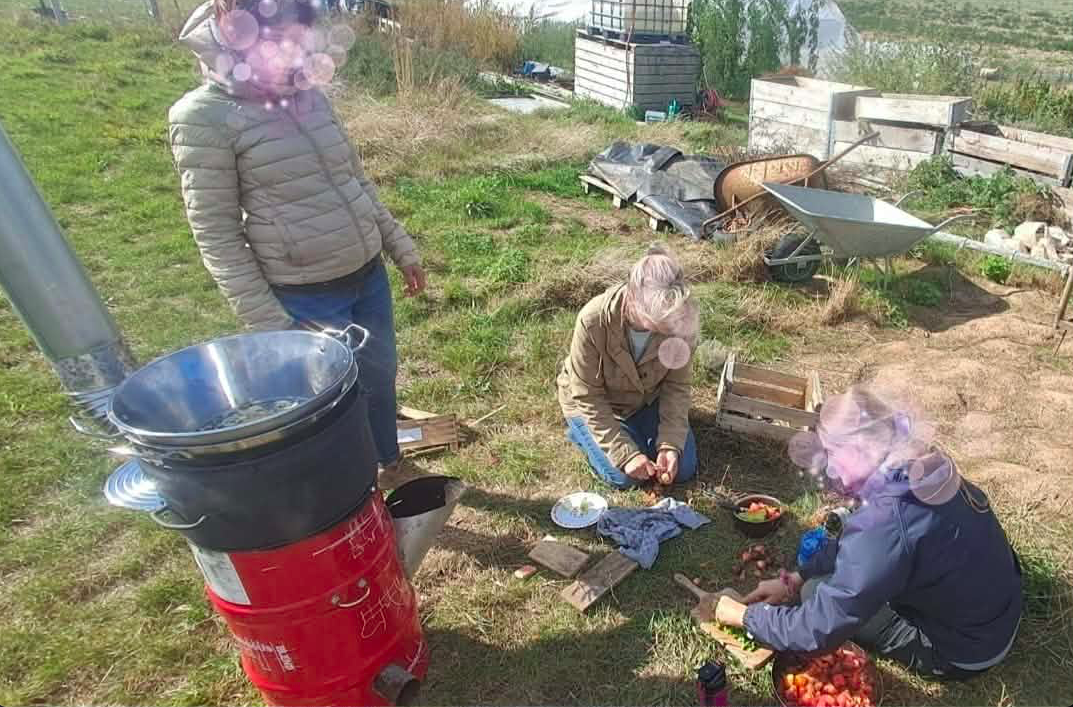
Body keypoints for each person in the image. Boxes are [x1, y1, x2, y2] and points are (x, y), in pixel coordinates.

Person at [168, 0, 426, 472]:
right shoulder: (203, 118)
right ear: (236, 30)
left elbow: (355, 181)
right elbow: (216, 234)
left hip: (367, 273)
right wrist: (272, 322)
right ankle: (352, 489)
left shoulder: (309, 95)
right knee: (333, 402)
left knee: (379, 375)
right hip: (305, 296)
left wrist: (399, 246)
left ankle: (389, 463)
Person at [714, 386, 1023, 681]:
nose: (829, 467)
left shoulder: (886, 520)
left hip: (963, 651)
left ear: (862, 447)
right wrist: (795, 578)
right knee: (812, 584)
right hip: (998, 614)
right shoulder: (915, 465)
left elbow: (817, 629)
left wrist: (743, 616)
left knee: (815, 594)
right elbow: (862, 540)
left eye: (833, 452)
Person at [557, 245, 700, 490]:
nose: (664, 329)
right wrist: (626, 454)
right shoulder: (593, 320)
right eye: (657, 321)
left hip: (646, 400)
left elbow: (676, 387)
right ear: (633, 299)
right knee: (625, 478)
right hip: (599, 404)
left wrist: (669, 444)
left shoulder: (678, 316)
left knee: (683, 469)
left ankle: (635, 434)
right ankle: (581, 432)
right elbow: (588, 395)